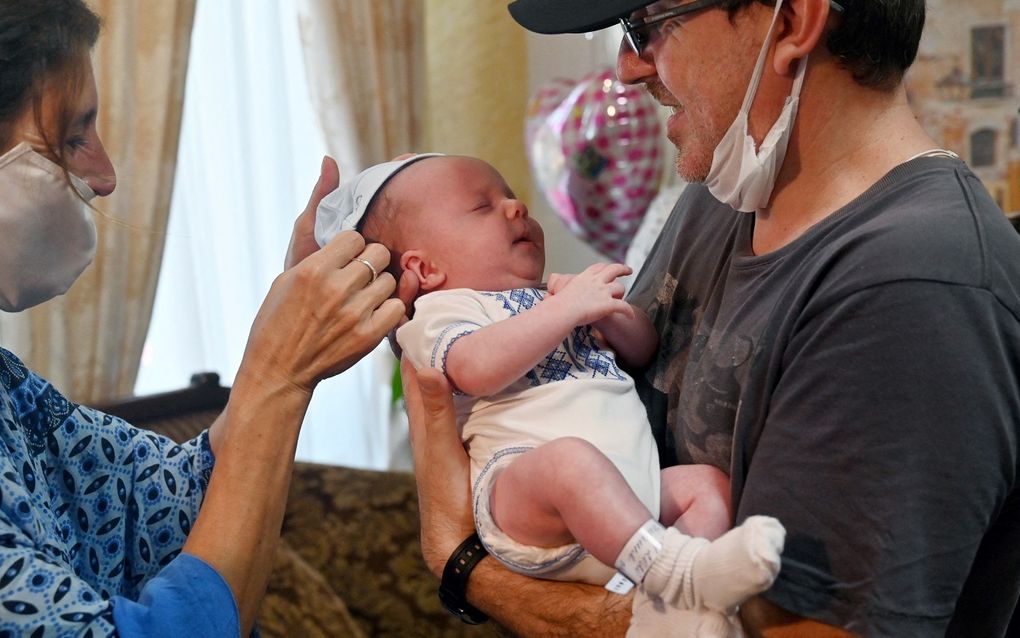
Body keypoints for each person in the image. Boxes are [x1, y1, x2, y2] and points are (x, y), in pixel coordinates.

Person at [401, 0, 1020, 636]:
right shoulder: (723, 196)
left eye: (644, 24)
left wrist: (466, 565)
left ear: (792, 22)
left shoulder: (912, 289)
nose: (626, 69)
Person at [0, 1, 403, 635]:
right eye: (73, 137)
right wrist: (277, 378)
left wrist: (288, 335)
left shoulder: (10, 391)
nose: (105, 177)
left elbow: (165, 508)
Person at [315, 153, 787, 631]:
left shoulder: (552, 297)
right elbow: (475, 368)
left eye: (510, 196)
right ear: (425, 268)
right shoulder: (440, 313)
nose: (516, 208)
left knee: (707, 486)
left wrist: (608, 315)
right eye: (482, 206)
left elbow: (644, 351)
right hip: (526, 501)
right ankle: (676, 572)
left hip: (628, 490)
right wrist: (567, 311)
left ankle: (673, 608)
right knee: (569, 462)